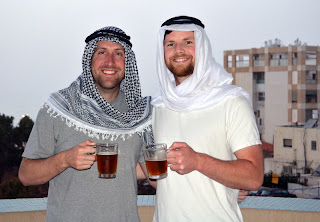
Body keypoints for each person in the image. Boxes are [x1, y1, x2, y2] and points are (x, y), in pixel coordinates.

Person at [18, 26, 154, 222]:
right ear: (89, 58)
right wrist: (65, 159)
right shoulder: (59, 107)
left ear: (128, 62)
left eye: (118, 53)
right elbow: (26, 175)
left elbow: (152, 175)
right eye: (101, 52)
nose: (110, 62)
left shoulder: (140, 114)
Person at [151, 16, 264, 222]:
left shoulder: (231, 101)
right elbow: (160, 181)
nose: (179, 50)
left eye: (188, 42)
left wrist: (198, 161)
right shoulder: (158, 106)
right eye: (170, 44)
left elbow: (254, 177)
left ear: (202, 47)